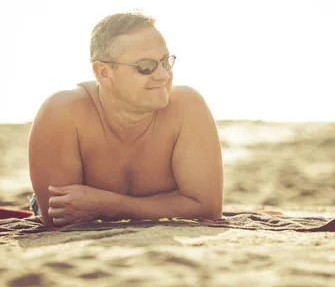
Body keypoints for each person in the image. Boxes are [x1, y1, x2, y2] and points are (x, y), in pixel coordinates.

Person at [28, 12, 224, 227]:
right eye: (146, 67)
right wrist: (167, 204)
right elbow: (59, 216)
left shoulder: (188, 107)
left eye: (165, 62)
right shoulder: (63, 113)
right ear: (103, 73)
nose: (163, 76)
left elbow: (208, 207)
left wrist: (109, 205)